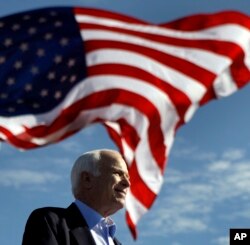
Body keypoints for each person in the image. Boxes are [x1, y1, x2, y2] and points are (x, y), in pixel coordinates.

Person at [22, 149, 130, 245]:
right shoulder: (49, 222)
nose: (127, 183)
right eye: (117, 173)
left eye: (127, 177)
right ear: (87, 179)